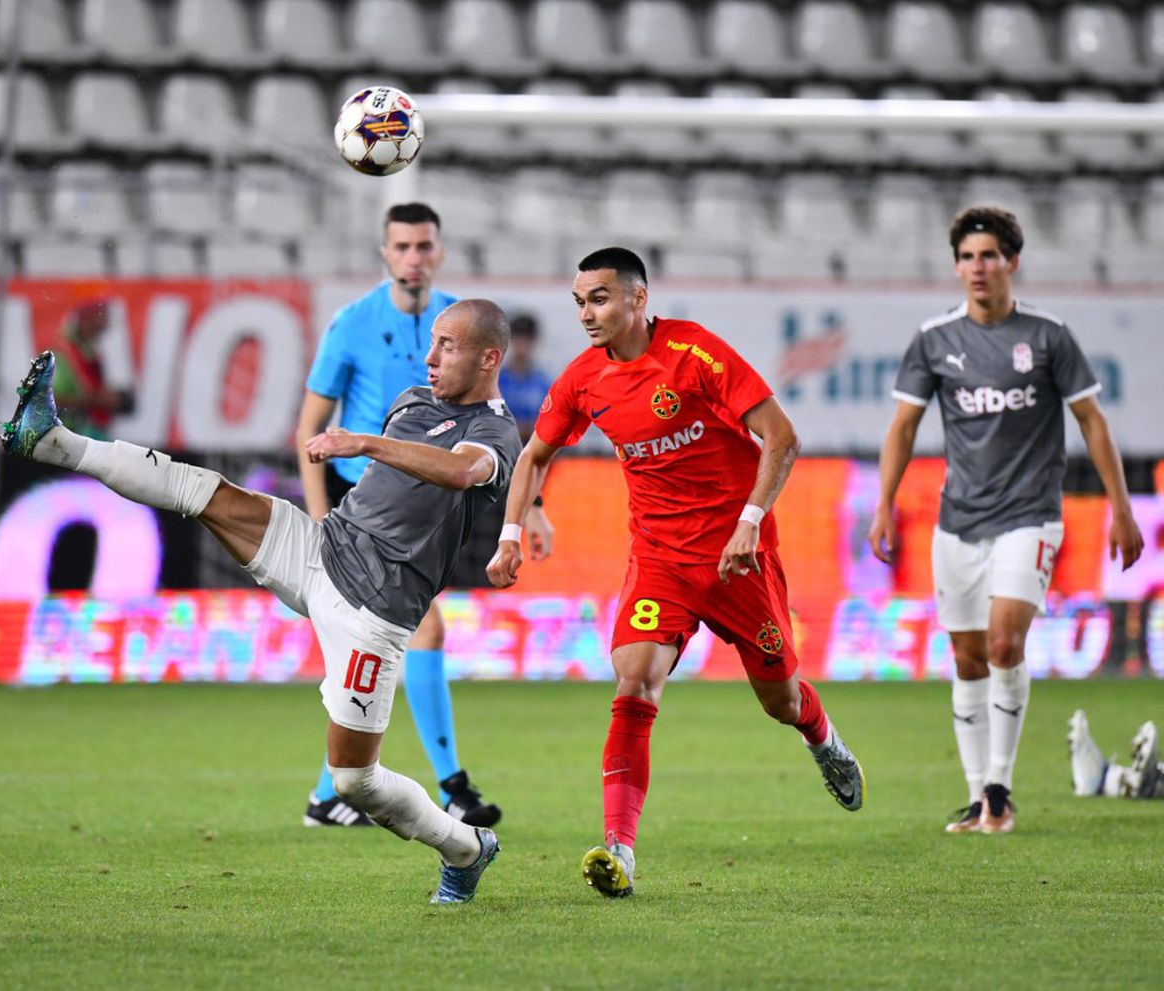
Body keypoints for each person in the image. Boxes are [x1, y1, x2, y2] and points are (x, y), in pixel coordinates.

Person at [0, 299, 519, 904]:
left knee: (353, 780)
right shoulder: (413, 399)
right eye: (431, 342)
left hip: (373, 614)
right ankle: (53, 441)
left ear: (489, 357)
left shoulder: (495, 432)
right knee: (203, 491)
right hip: (322, 549)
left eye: (448, 346)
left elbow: (459, 473)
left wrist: (366, 444)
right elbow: (388, 491)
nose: (430, 357)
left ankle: (465, 849)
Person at [487, 247, 865, 899]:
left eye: (599, 298)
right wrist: (514, 531)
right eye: (579, 302)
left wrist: (750, 519)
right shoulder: (582, 379)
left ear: (638, 299)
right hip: (660, 559)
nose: (586, 313)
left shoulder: (695, 356)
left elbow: (781, 435)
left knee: (781, 699)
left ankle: (821, 736)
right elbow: (534, 453)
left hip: (737, 558)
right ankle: (619, 849)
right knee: (634, 682)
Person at [867, 206, 1144, 835]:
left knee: (1002, 645)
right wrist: (884, 503)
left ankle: (1000, 788)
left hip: (1030, 515)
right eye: (967, 257)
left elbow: (1092, 422)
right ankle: (976, 797)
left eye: (989, 255)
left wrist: (1120, 508)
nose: (977, 268)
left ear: (1012, 262)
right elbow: (903, 426)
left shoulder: (1048, 336)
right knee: (966, 658)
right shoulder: (934, 340)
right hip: (957, 519)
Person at [294, 201, 549, 828]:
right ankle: (448, 785)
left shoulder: (459, 322)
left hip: (432, 510)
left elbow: (494, 432)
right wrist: (325, 521)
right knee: (422, 634)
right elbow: (309, 429)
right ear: (384, 253)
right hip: (365, 513)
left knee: (381, 649)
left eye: (424, 246)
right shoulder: (351, 324)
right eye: (402, 246)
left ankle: (331, 792)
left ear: (439, 251)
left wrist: (532, 505)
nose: (414, 257)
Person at [51, 296, 134, 440]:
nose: (106, 322)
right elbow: (49, 399)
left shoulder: (93, 352)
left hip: (90, 434)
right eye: (100, 315)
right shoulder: (65, 355)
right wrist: (96, 401)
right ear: (85, 319)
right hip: (69, 437)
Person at [1068, 710, 1161, 799]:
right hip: (1105, 777)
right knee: (1149, 730)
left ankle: (1133, 782)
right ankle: (1133, 781)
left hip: (1104, 779)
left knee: (1150, 730)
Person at [497, 312, 552, 443]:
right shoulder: (496, 381)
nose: (522, 345)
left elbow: (550, 422)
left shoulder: (542, 383)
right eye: (518, 338)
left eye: (527, 339)